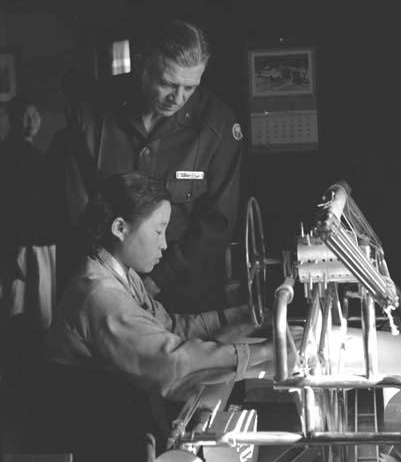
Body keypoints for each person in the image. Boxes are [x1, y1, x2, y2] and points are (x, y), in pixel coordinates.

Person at [42, 172, 296, 460]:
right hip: (91, 430)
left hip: (114, 415)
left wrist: (240, 318)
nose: (164, 244)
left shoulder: (122, 274)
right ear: (120, 228)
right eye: (158, 231)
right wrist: (258, 352)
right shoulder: (99, 294)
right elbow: (168, 361)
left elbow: (170, 328)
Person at [52, 19, 243, 312]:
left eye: (190, 88)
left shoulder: (217, 125)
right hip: (104, 287)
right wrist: (115, 280)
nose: (178, 98)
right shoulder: (92, 114)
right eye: (167, 84)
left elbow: (218, 224)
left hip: (186, 292)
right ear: (139, 66)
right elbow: (78, 210)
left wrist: (155, 282)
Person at [0, 96, 56, 374]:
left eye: (36, 115)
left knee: (33, 306)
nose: (33, 121)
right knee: (23, 306)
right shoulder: (10, 153)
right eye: (26, 115)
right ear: (12, 119)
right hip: (22, 242)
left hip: (38, 239)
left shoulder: (34, 152)